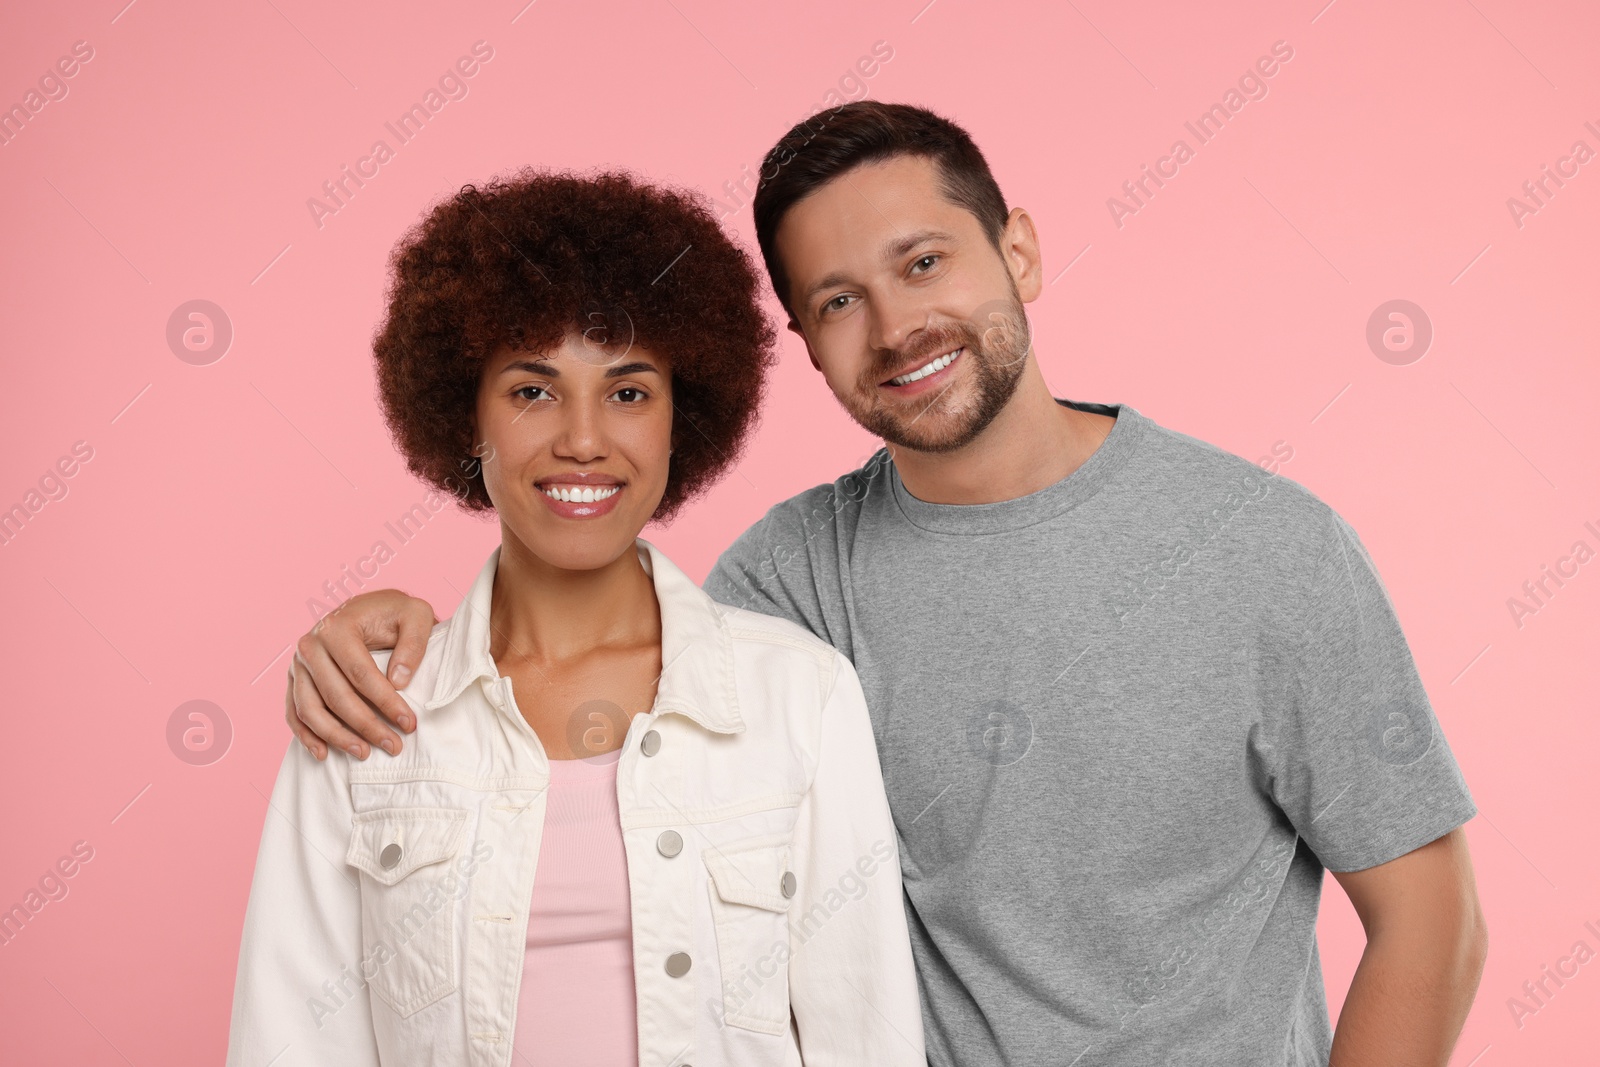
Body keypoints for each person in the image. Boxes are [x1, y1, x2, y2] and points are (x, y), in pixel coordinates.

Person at [284, 103, 1488, 1066]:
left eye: (923, 262)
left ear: (1014, 245)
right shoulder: (788, 580)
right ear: (801, 345)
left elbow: (1432, 921)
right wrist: (392, 633)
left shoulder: (1263, 547)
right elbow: (578, 648)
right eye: (839, 302)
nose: (897, 325)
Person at [227, 168, 925, 1067]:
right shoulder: (368, 711)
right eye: (532, 390)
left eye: (629, 392)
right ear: (464, 416)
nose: (584, 438)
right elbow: (289, 1040)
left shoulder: (800, 696)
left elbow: (864, 1034)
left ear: (685, 419)